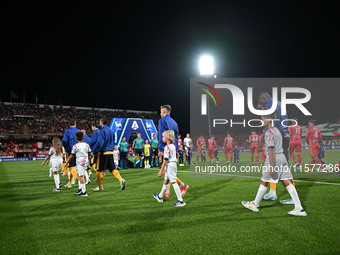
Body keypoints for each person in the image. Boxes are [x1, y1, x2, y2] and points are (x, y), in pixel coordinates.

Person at [241, 113, 307, 216]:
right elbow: (273, 146)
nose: (260, 121)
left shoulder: (269, 132)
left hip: (274, 158)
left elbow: (271, 149)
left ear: (268, 119)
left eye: (262, 118)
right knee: (286, 181)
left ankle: (255, 204)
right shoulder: (277, 130)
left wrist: (271, 166)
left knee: (264, 181)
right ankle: (299, 208)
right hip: (282, 157)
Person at [158, 105, 189, 197]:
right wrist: (175, 149)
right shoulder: (174, 122)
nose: (160, 114)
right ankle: (167, 192)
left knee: (164, 170)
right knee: (167, 171)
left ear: (164, 112)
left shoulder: (162, 121)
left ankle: (182, 185)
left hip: (165, 147)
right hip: (173, 148)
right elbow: (175, 136)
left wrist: (160, 149)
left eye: (161, 112)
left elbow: (161, 135)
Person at [153, 130, 186, 207]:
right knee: (166, 181)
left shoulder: (166, 147)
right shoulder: (173, 146)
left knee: (173, 182)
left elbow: (165, 160)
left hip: (170, 165)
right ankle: (160, 196)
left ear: (167, 138)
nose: (162, 138)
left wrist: (161, 170)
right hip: (173, 164)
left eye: (163, 136)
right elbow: (174, 155)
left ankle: (180, 200)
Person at [93, 118, 126, 191]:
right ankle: (121, 179)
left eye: (99, 122)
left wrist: (94, 151)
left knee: (99, 170)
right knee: (112, 169)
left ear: (101, 123)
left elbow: (100, 143)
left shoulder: (101, 131)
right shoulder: (111, 131)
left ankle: (100, 187)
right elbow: (114, 142)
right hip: (111, 152)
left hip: (103, 152)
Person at [65, 132, 94, 197]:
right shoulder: (86, 145)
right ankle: (80, 189)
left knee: (81, 176)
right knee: (79, 174)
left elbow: (71, 155)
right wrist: (90, 158)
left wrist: (67, 162)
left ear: (76, 138)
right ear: (83, 137)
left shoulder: (75, 146)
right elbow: (91, 154)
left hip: (80, 161)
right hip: (85, 161)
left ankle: (84, 192)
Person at [62, 120, 80, 188]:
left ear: (69, 125)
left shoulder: (67, 131)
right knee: (77, 167)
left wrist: (66, 147)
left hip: (70, 151)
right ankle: (70, 183)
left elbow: (64, 141)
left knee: (71, 168)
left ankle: (80, 180)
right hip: (79, 151)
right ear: (75, 124)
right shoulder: (78, 131)